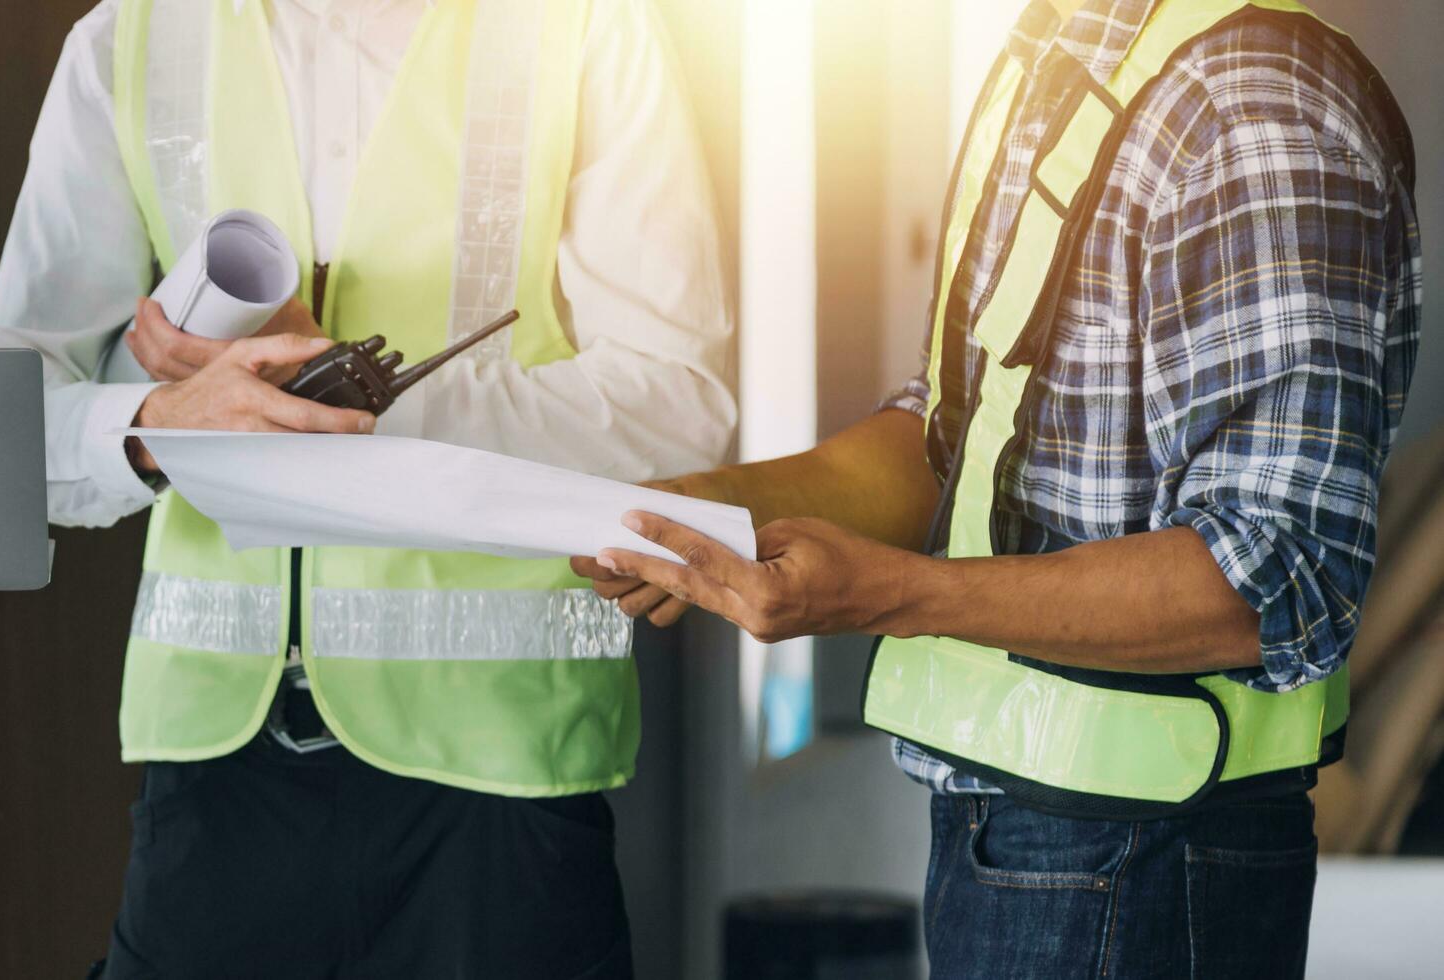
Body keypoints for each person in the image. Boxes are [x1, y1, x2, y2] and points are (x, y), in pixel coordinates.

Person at [580, 0, 1418, 976]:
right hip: (1009, 829)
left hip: (1147, 857)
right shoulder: (1058, 51)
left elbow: (1275, 578)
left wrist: (894, 594)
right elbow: (955, 430)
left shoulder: (1254, 103)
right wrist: (699, 510)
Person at [0, 0, 735, 975]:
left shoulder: (582, 30)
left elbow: (675, 404)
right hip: (211, 770)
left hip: (498, 773)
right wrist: (159, 424)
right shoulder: (135, 37)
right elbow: (0, 425)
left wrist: (355, 397)